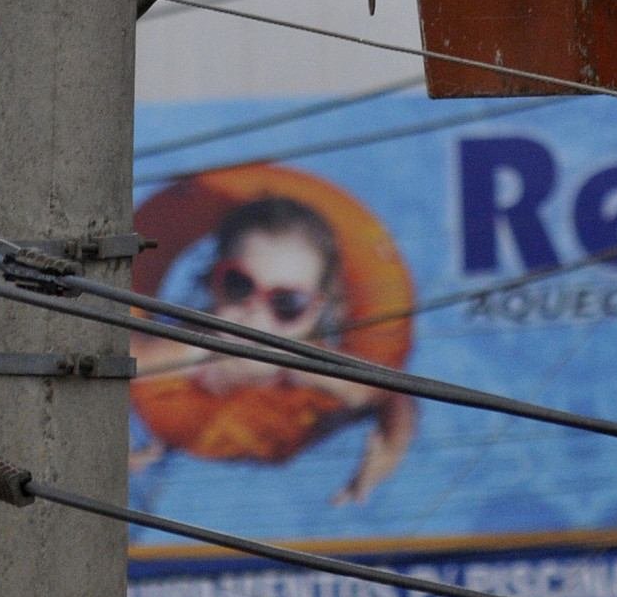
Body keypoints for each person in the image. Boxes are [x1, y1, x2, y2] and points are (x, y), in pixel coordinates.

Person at [126, 194, 417, 505]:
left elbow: (391, 393)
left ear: (316, 311)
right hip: (182, 419)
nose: (256, 315)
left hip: (284, 430)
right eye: (240, 285)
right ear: (213, 279)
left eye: (287, 303)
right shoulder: (184, 351)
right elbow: (108, 362)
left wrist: (392, 445)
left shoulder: (307, 365)